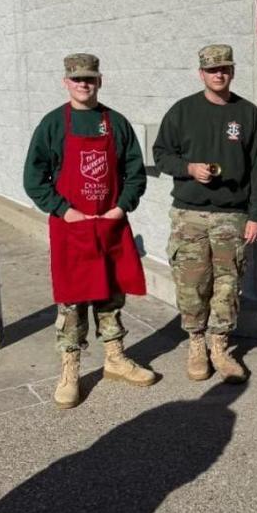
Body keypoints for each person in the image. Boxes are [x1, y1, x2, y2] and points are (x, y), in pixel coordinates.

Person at [23, 53, 154, 410]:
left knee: (111, 294)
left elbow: (134, 173)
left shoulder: (116, 123)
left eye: (90, 78)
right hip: (71, 227)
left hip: (109, 224)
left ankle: (115, 358)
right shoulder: (52, 124)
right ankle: (70, 370)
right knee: (72, 300)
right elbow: (34, 178)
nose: (84, 84)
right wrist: (64, 210)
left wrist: (121, 207)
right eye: (77, 78)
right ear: (65, 82)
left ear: (100, 81)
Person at [153, 44, 257, 383]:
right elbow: (161, 154)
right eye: (212, 70)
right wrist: (188, 168)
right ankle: (196, 344)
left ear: (232, 71)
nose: (219, 74)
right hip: (189, 215)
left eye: (225, 69)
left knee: (227, 286)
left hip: (231, 216)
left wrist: (256, 215)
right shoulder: (182, 111)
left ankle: (220, 346)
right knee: (191, 285)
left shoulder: (248, 114)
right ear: (201, 73)